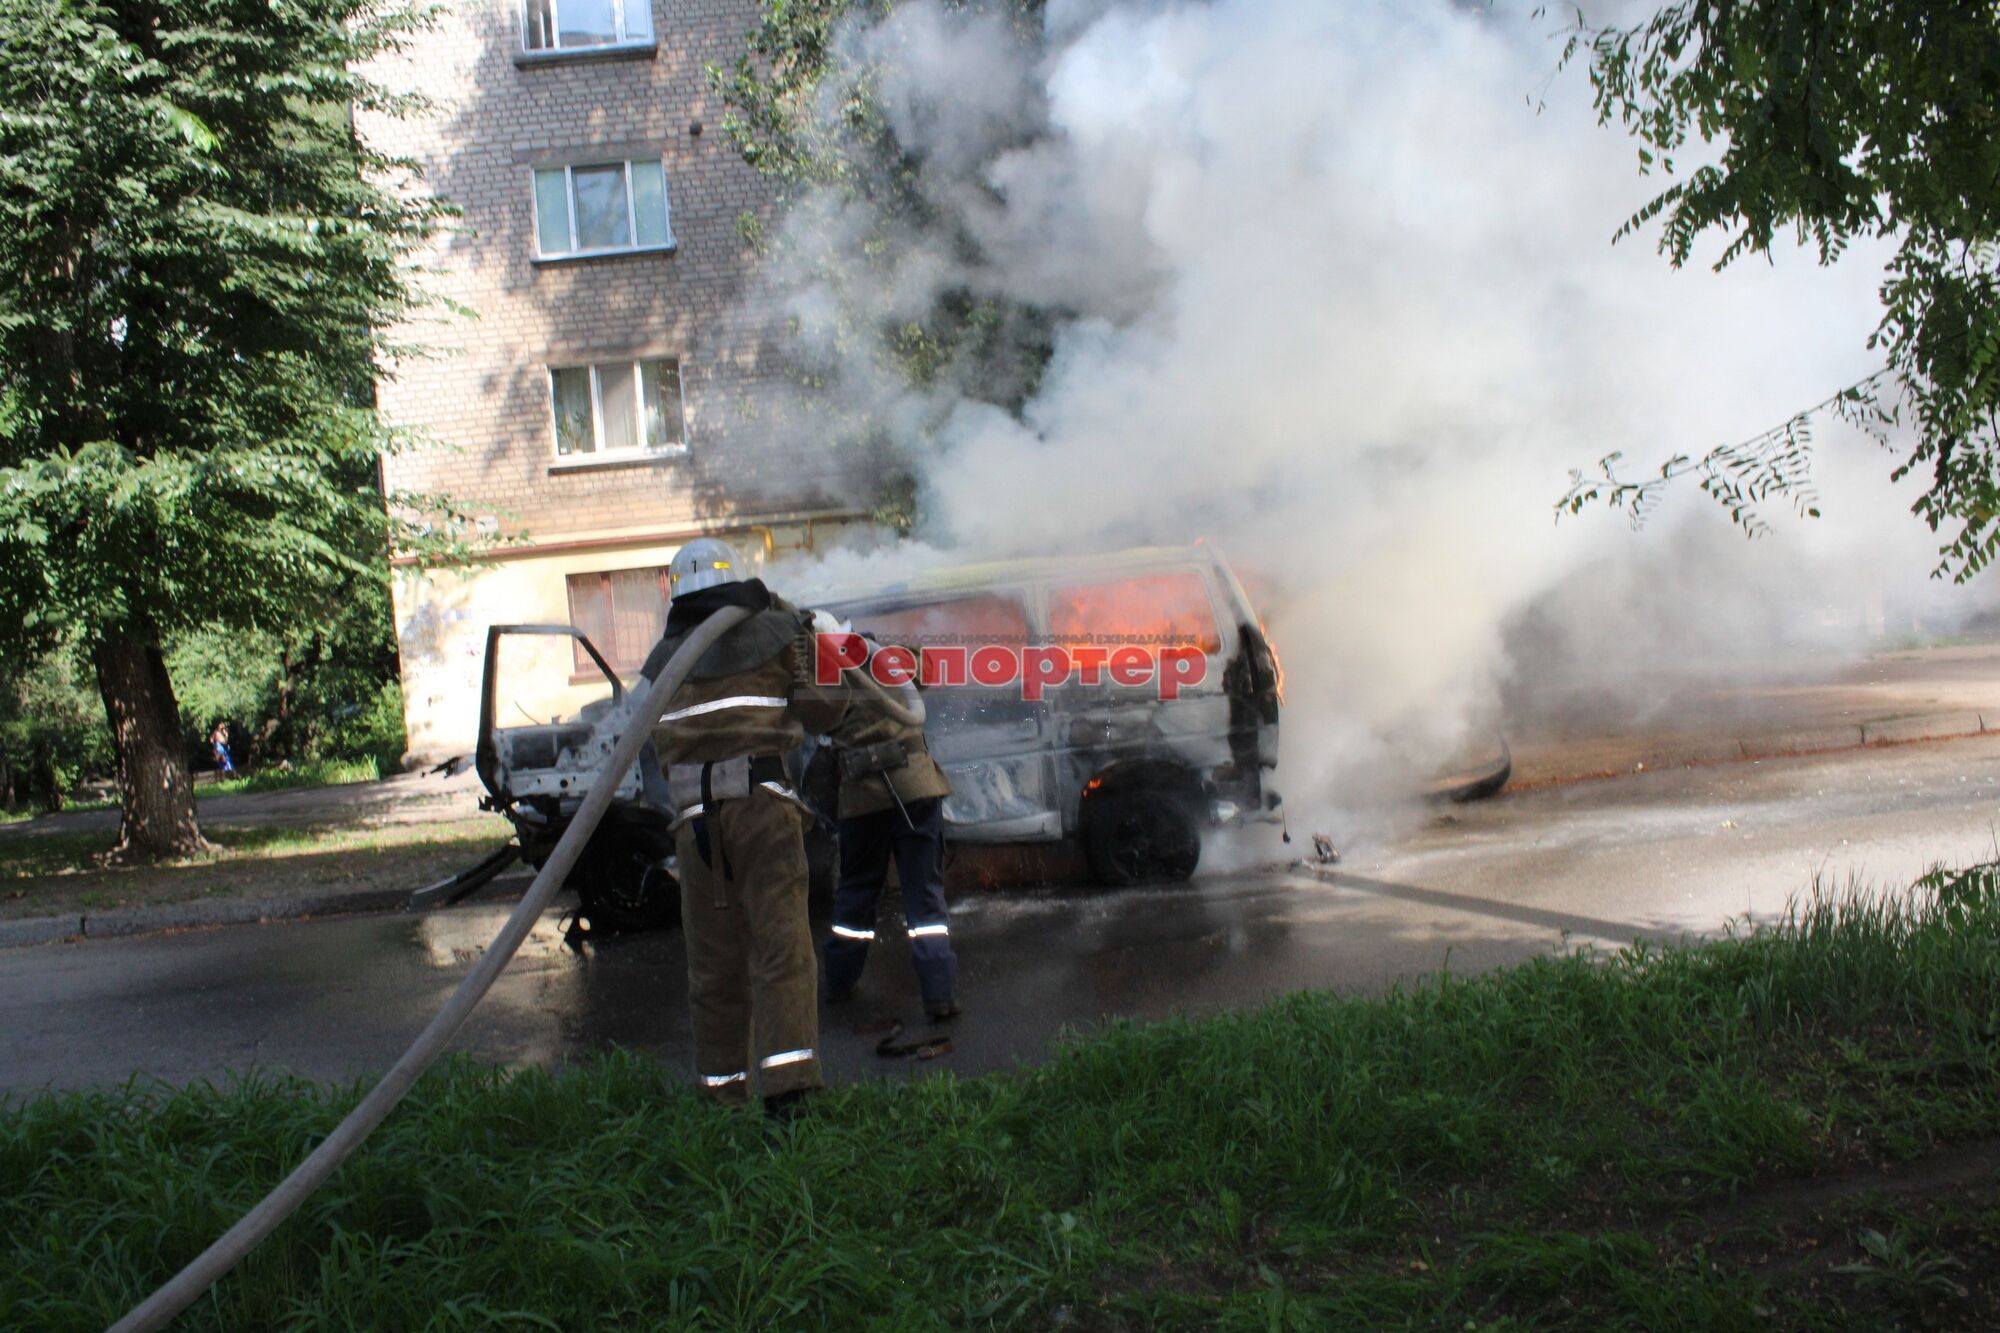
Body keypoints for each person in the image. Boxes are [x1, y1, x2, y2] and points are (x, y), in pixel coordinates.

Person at [641, 538, 846, 1119]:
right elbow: (828, 709)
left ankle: (721, 1102)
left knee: (712, 967)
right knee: (781, 950)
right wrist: (825, 642)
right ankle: (791, 1096)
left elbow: (651, 754)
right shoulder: (779, 635)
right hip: (762, 810)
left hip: (694, 824)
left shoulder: (662, 664)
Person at [821, 634, 960, 1020]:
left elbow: (811, 721)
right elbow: (927, 669)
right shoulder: (893, 660)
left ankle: (838, 983)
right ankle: (939, 994)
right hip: (915, 790)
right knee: (924, 895)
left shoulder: (826, 674)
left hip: (863, 801)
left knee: (857, 892)